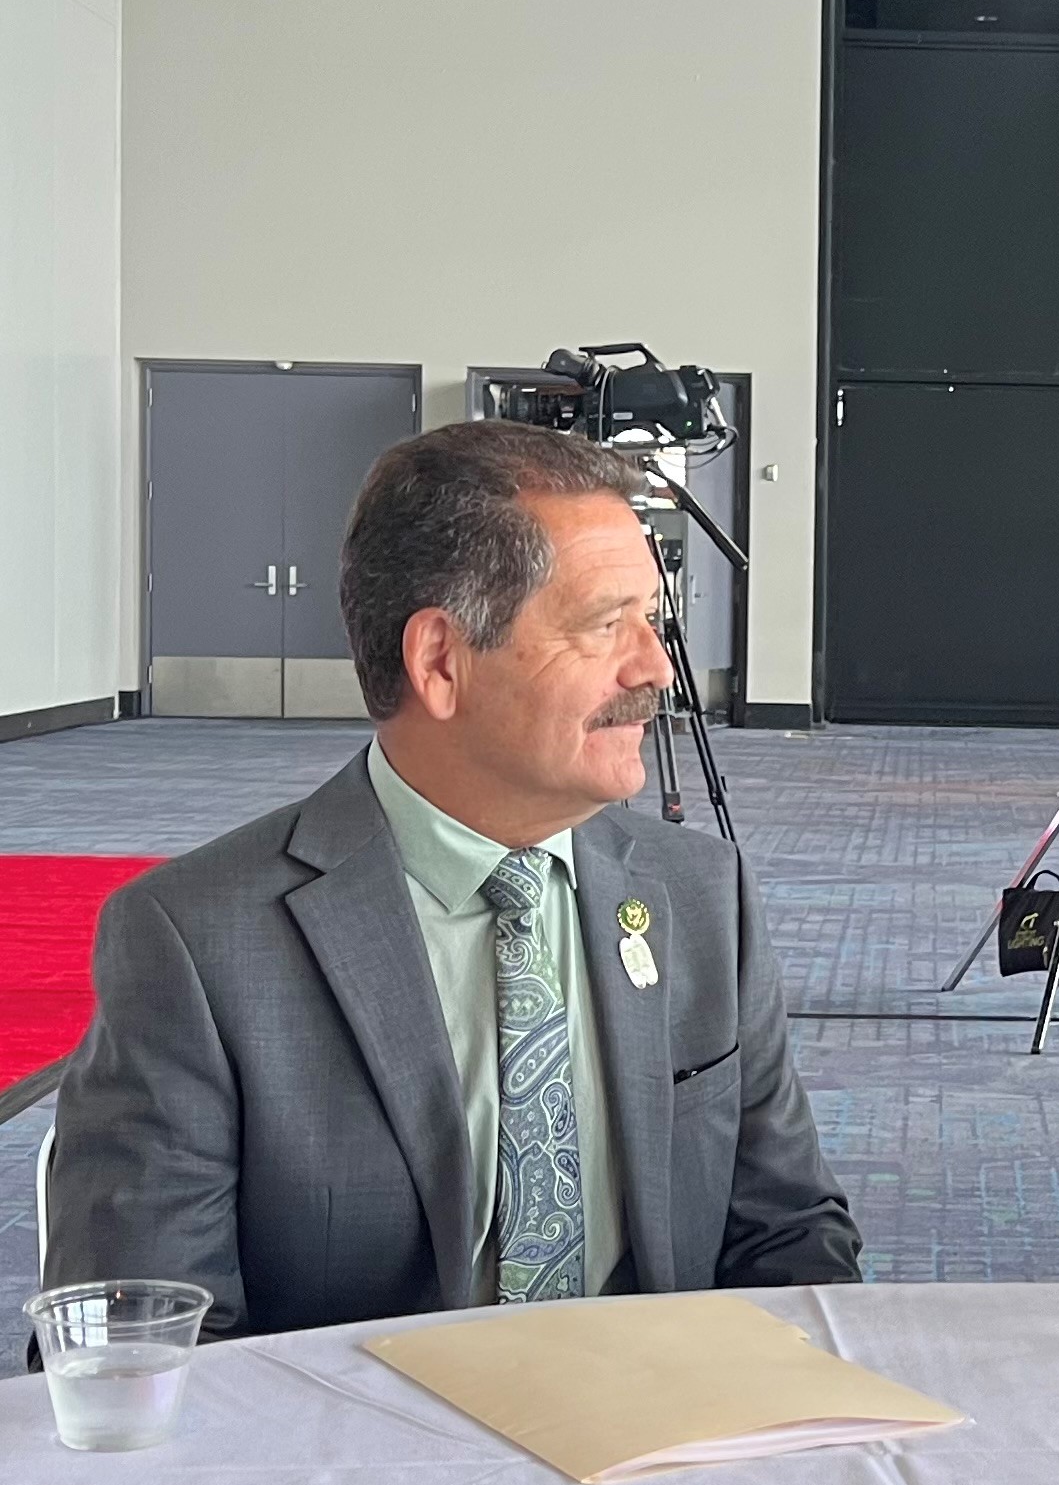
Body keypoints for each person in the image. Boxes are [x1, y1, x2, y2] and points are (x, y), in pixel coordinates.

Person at [47, 421, 860, 1339]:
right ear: (440, 661)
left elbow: (789, 1236)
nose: (656, 668)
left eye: (654, 620)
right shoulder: (199, 942)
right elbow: (140, 1341)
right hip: (357, 1463)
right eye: (606, 625)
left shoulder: (701, 893)